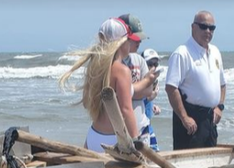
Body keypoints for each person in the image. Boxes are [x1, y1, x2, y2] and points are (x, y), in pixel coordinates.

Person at [59, 18, 141, 153]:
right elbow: (126, 109)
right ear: (121, 43)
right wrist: (137, 142)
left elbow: (86, 103)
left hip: (93, 136)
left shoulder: (94, 68)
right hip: (114, 141)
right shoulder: (122, 71)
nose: (130, 43)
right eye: (128, 40)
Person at [165, 11, 226, 150]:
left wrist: (220, 107)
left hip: (210, 120)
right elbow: (171, 88)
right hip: (190, 122)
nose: (208, 31)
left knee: (210, 164)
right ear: (193, 27)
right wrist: (184, 117)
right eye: (203, 27)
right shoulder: (182, 53)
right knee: (187, 166)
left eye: (212, 28)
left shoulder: (215, 52)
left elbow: (222, 84)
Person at [116, 14, 160, 149]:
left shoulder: (139, 60)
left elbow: (147, 91)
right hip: (119, 130)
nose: (139, 42)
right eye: (135, 39)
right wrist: (141, 85)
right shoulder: (113, 64)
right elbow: (114, 96)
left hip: (142, 126)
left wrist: (127, 91)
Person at [141, 48, 162, 151]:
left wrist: (152, 104)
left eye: (156, 64)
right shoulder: (139, 81)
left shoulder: (152, 81)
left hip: (148, 125)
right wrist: (149, 98)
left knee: (154, 153)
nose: (153, 67)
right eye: (150, 63)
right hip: (139, 127)